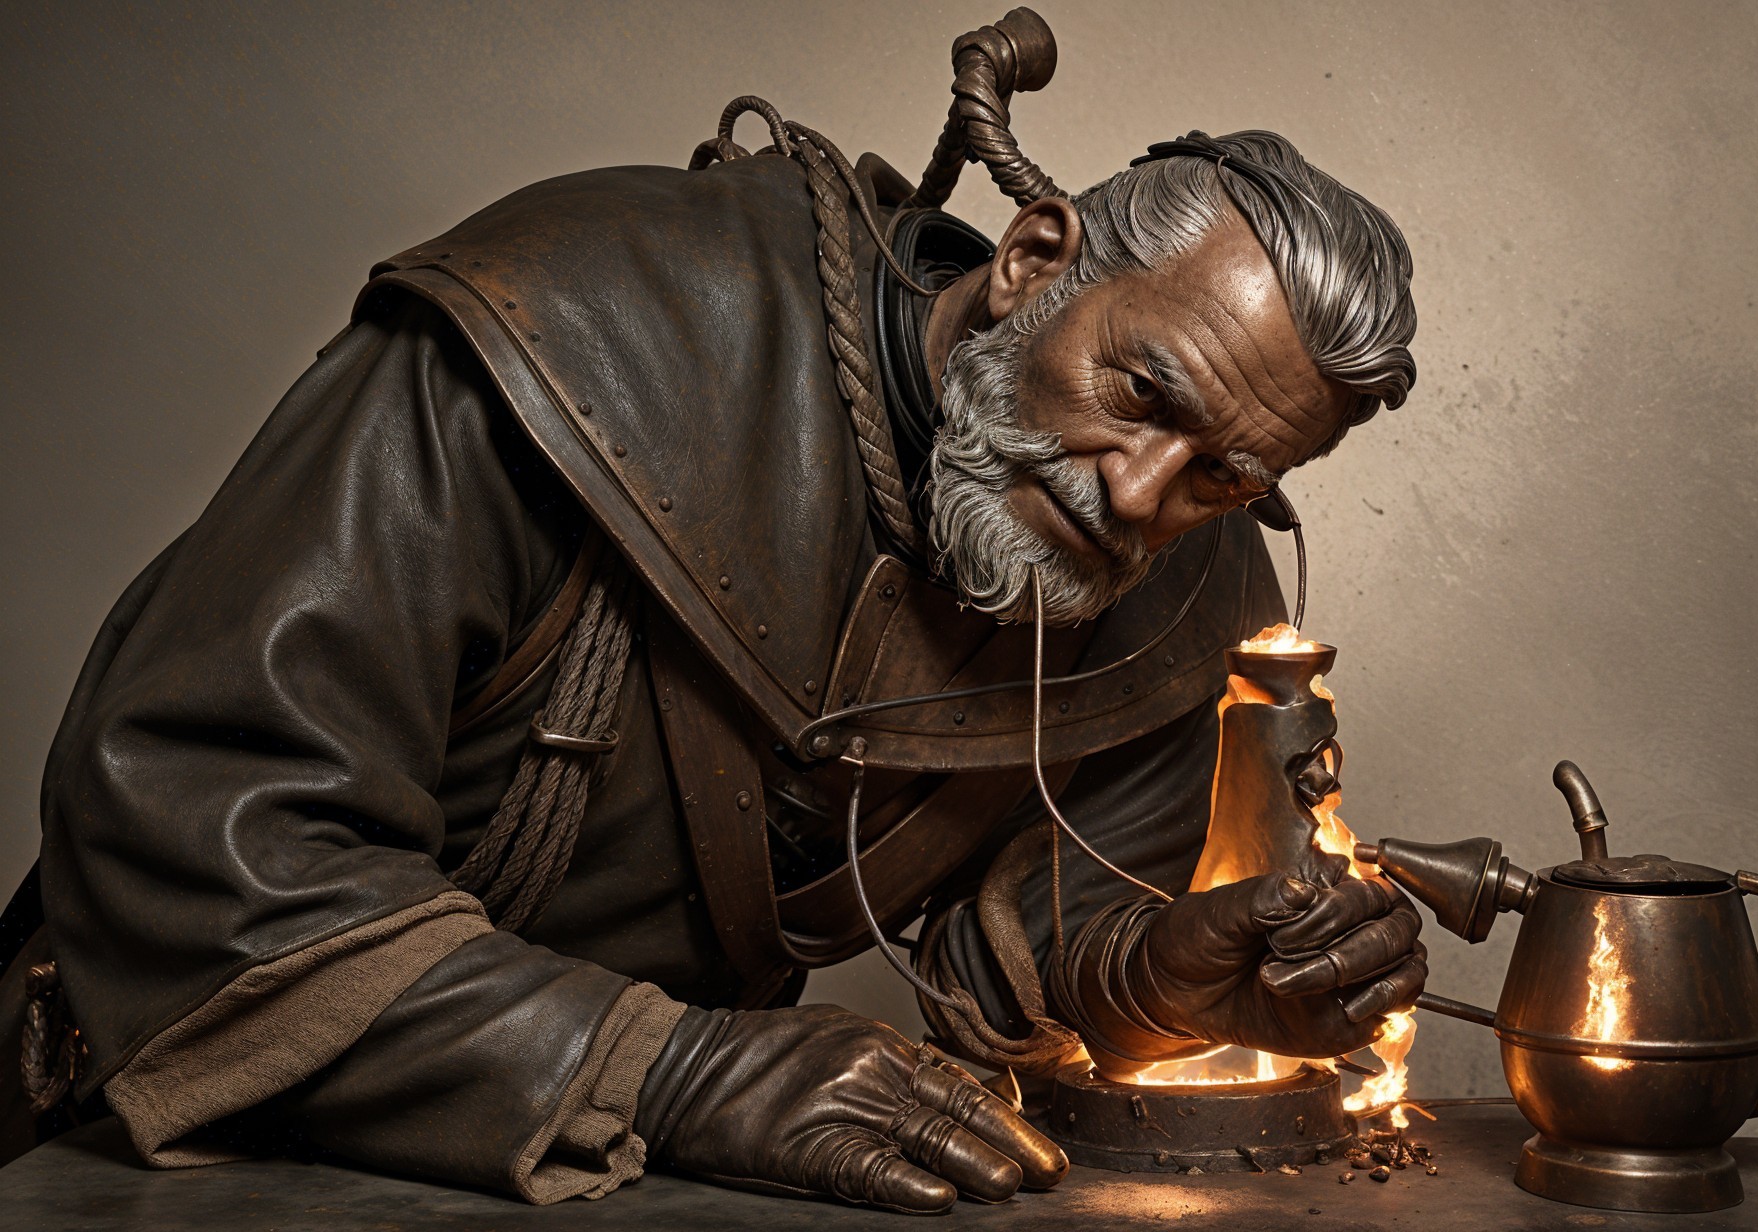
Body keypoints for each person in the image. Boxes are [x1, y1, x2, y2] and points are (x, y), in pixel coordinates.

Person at [4, 15, 1423, 1214]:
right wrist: (676, 1070)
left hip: (603, 1184)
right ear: (1035, 259)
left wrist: (1162, 978)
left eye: (1226, 472)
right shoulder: (572, 321)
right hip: (181, 1146)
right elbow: (190, 831)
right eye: (1142, 391)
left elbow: (1041, 928)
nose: (1140, 493)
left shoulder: (1177, 573)